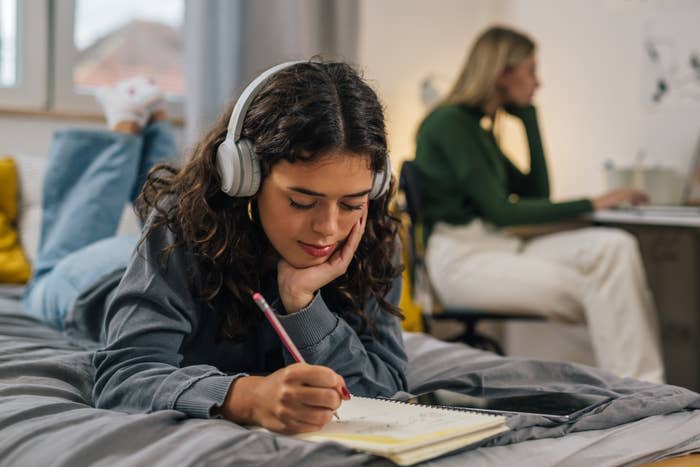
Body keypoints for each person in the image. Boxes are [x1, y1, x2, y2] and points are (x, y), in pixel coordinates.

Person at [22, 61, 407, 434]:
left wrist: (304, 305)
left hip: (153, 254)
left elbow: (385, 389)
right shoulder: (180, 227)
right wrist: (247, 397)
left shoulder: (372, 239)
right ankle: (125, 126)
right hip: (98, 282)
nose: (328, 228)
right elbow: (125, 374)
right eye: (301, 202)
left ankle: (152, 119)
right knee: (51, 270)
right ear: (243, 175)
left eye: (352, 203)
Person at [414, 25, 665, 383]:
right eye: (531, 70)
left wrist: (530, 120)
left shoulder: (479, 129)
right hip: (462, 261)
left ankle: (640, 385)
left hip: (501, 249)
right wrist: (594, 201)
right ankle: (639, 389)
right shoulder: (448, 123)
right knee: (605, 292)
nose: (538, 81)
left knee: (615, 246)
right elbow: (502, 211)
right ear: (502, 73)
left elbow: (536, 195)